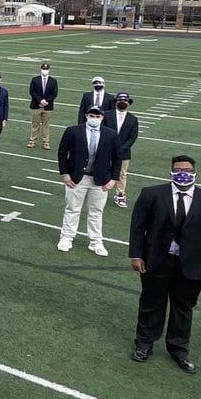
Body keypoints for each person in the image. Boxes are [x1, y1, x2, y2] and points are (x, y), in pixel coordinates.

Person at [128, 155, 201, 373]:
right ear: (171, 172)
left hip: (192, 266)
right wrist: (136, 255)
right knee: (151, 303)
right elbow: (138, 227)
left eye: (187, 169)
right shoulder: (152, 194)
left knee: (183, 309)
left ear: (194, 173)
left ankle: (179, 349)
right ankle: (144, 344)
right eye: (178, 169)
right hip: (157, 260)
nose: (183, 173)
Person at [57, 104, 121, 255]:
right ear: (86, 116)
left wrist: (113, 179)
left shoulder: (111, 134)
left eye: (97, 116)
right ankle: (66, 237)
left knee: (96, 212)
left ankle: (96, 242)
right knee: (72, 209)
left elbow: (117, 158)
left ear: (102, 117)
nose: (94, 118)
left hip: (100, 180)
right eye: (92, 115)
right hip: (77, 178)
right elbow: (62, 153)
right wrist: (65, 174)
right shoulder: (73, 131)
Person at [104, 91, 139, 209]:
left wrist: (121, 148)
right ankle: (99, 192)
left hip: (123, 152)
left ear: (128, 103)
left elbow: (133, 137)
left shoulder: (133, 119)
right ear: (116, 102)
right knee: (102, 169)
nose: (122, 102)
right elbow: (102, 131)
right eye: (120, 100)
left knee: (122, 174)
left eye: (125, 100)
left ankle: (120, 195)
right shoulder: (107, 115)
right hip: (106, 149)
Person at [28, 61, 57, 150]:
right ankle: (32, 141)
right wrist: (40, 100)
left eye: (46, 69)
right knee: (35, 124)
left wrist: (46, 101)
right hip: (36, 105)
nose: (45, 70)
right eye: (43, 69)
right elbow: (32, 91)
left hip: (48, 106)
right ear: (41, 69)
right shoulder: (35, 79)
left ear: (49, 70)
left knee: (46, 125)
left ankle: (46, 142)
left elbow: (54, 93)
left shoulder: (53, 81)